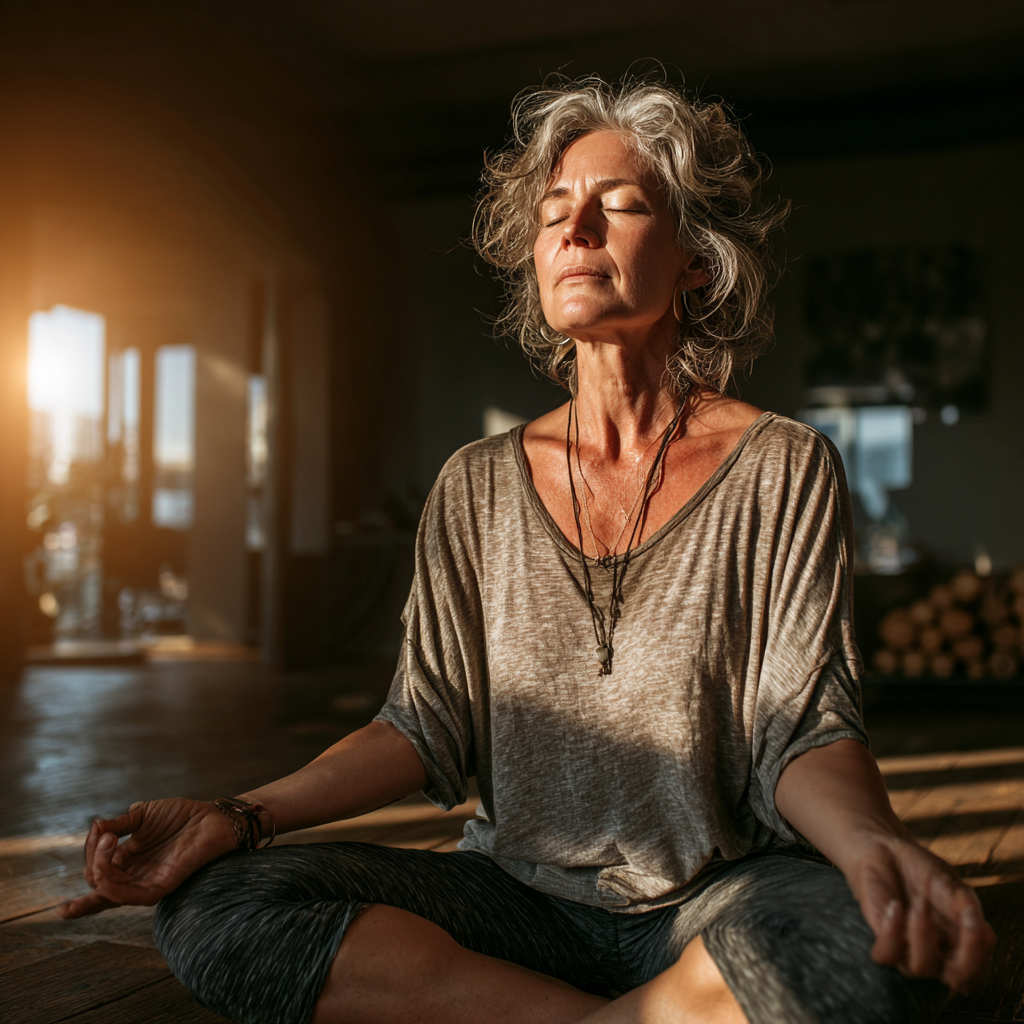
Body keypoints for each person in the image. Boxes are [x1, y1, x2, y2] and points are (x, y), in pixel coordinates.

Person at [59, 77, 994, 1024]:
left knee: (856, 945)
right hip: (512, 903)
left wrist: (873, 844)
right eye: (555, 214)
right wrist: (239, 815)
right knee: (216, 906)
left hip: (719, 898)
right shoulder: (475, 484)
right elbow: (423, 723)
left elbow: (803, 729)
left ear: (695, 261)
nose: (575, 230)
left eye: (619, 206)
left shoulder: (784, 467)